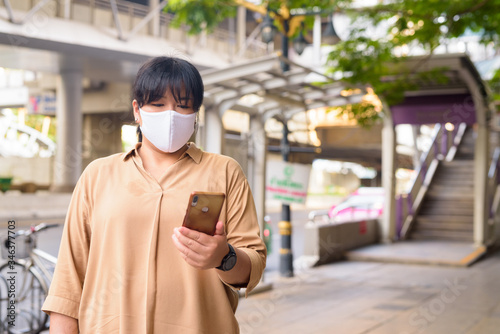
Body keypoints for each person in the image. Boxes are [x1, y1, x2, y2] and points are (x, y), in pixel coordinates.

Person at [42, 56, 267, 333]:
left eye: (183, 105)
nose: (170, 115)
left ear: (196, 113)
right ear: (137, 110)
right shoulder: (97, 175)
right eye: (158, 104)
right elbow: (68, 282)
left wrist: (224, 257)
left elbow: (252, 266)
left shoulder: (225, 171)